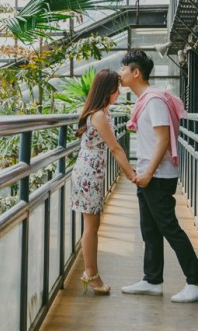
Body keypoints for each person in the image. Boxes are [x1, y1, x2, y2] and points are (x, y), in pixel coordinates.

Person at [118, 50, 198, 303]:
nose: (119, 73)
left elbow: (163, 140)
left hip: (157, 175)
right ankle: (152, 280)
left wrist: (148, 173)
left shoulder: (153, 101)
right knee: (150, 229)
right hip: (149, 173)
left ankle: (197, 281)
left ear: (136, 72)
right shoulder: (146, 100)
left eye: (123, 69)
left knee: (169, 228)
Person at [70, 68, 137, 296]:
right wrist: (132, 175)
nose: (118, 93)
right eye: (115, 90)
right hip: (88, 175)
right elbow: (116, 148)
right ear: (106, 90)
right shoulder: (98, 115)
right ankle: (91, 275)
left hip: (92, 173)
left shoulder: (102, 112)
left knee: (93, 224)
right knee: (91, 226)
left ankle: (91, 273)